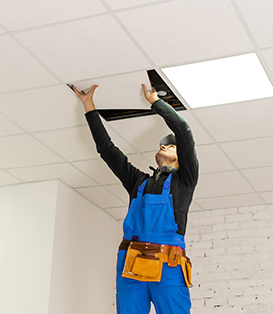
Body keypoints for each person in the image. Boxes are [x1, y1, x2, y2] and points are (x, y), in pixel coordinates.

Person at [73, 83, 199, 314]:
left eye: (171, 146)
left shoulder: (185, 180)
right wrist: (89, 105)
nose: (165, 146)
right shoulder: (138, 182)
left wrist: (155, 102)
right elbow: (107, 150)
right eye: (163, 144)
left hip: (169, 264)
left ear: (182, 157)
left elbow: (184, 129)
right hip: (131, 261)